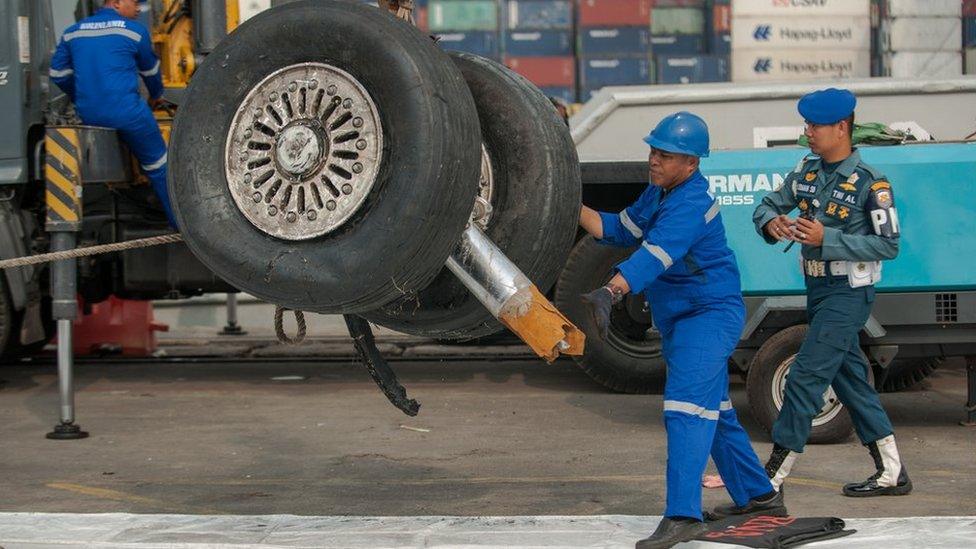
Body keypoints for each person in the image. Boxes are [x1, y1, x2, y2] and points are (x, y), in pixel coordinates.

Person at [579, 112, 783, 549]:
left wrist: (612, 290)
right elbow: (619, 229)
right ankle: (760, 498)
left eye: (664, 155)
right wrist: (567, 201)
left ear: (690, 163)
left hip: (708, 316)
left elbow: (655, 254)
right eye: (652, 151)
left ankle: (683, 515)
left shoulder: (691, 203)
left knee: (685, 410)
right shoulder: (658, 193)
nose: (653, 160)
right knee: (717, 413)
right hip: (681, 319)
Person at [752, 88, 911, 498]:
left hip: (849, 294)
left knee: (804, 376)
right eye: (806, 125)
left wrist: (829, 237)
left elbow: (888, 245)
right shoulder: (806, 172)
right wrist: (771, 223)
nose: (807, 132)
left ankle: (770, 482)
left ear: (841, 128)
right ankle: (891, 470)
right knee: (852, 381)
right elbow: (766, 205)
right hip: (818, 289)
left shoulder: (871, 184)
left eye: (814, 125)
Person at [50, 0, 177, 228]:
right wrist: (157, 95)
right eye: (135, 3)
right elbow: (151, 72)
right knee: (160, 165)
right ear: (117, 3)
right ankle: (179, 225)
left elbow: (58, 73)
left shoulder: (72, 33)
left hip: (89, 115)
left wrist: (81, 95)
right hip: (127, 113)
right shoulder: (135, 31)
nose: (139, 8)